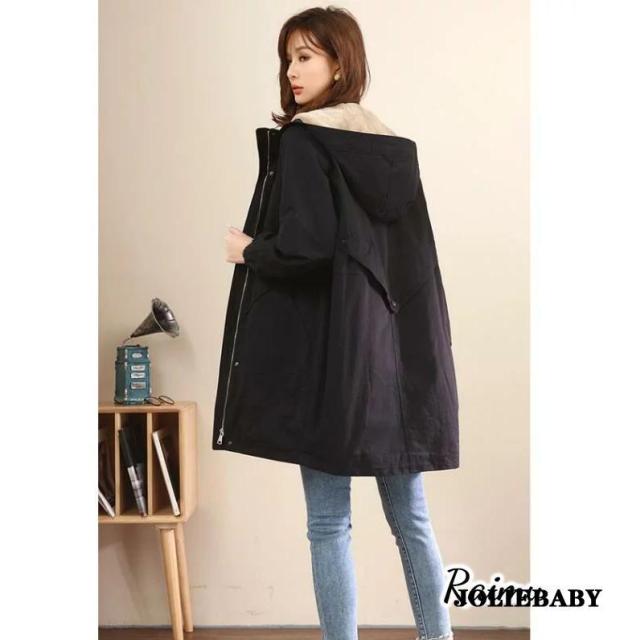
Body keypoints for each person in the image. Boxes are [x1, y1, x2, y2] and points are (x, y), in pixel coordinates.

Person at [214, 6, 459, 640]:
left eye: (305, 57)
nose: (291, 72)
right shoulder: (390, 149)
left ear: (340, 64)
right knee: (412, 521)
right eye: (287, 59)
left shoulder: (305, 141)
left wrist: (250, 250)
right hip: (396, 365)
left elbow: (307, 248)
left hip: (333, 364)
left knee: (329, 524)